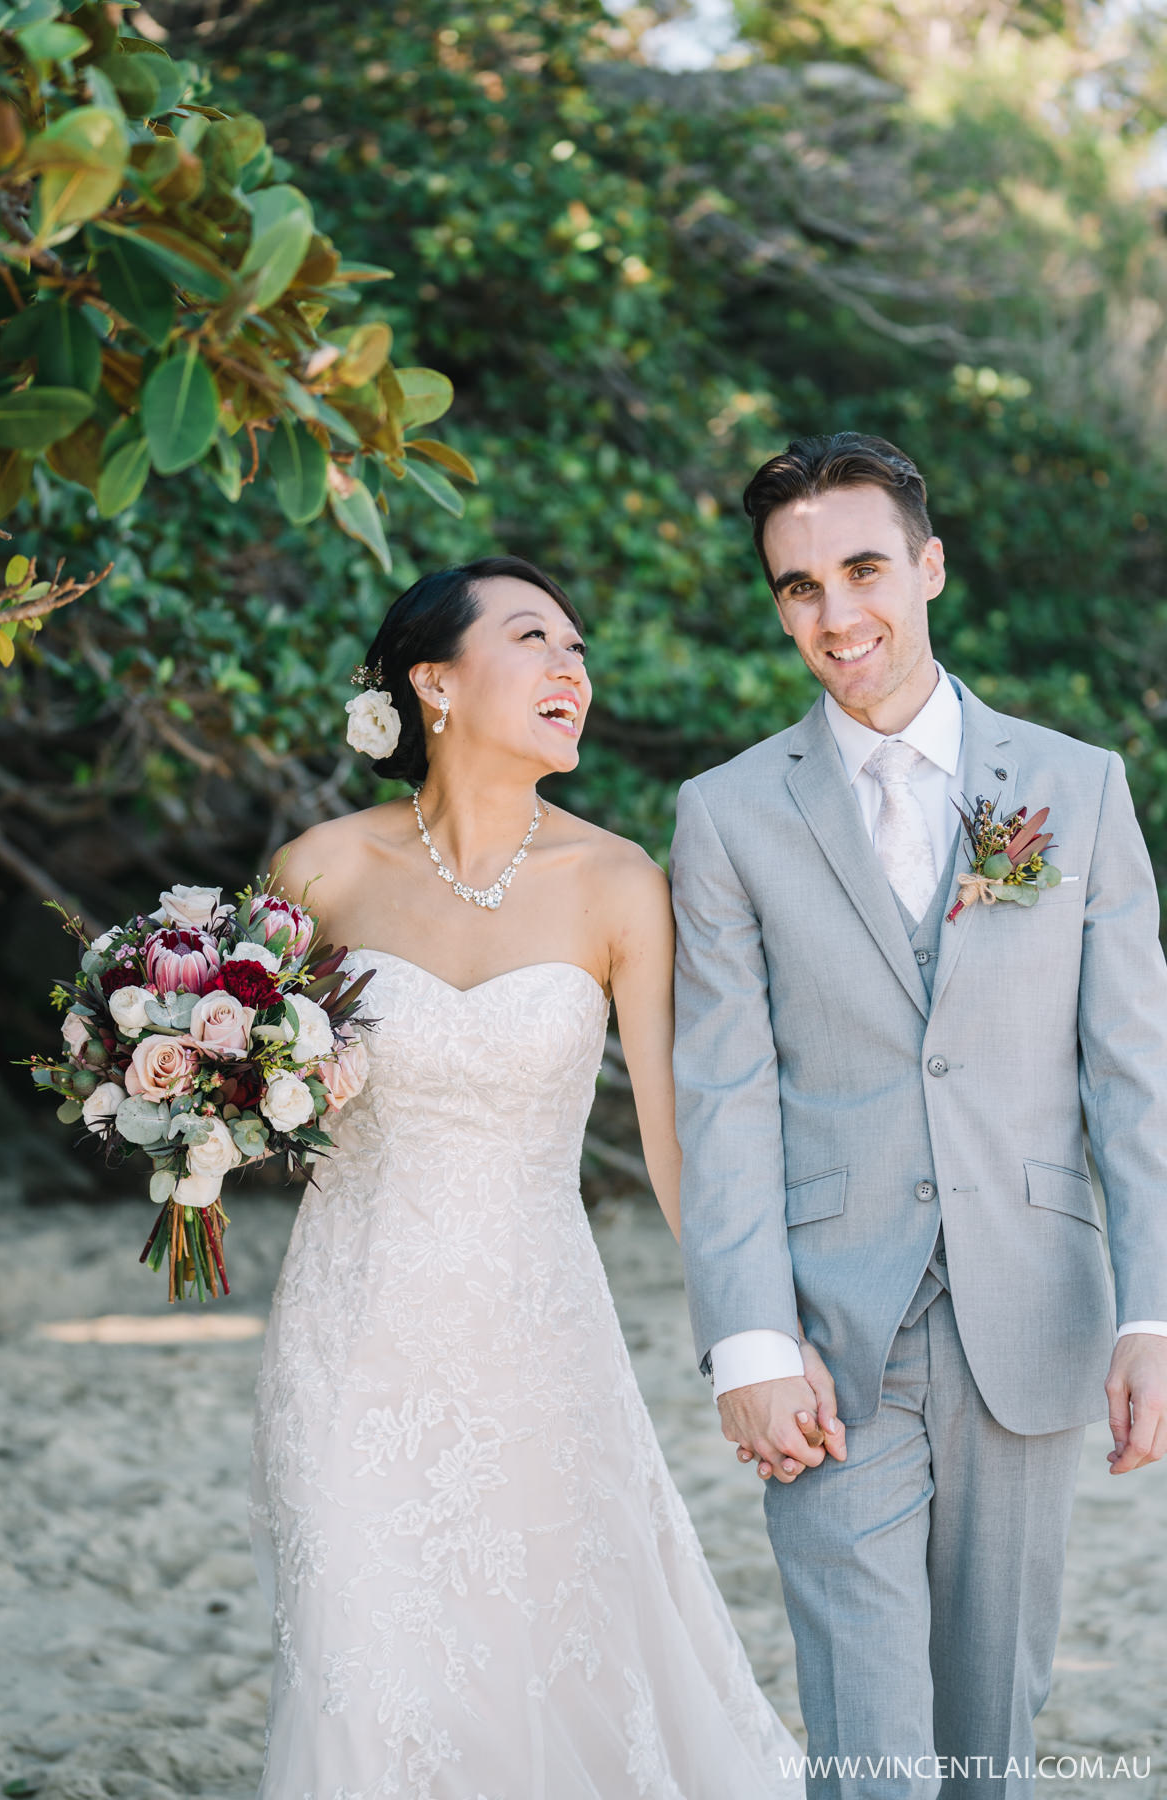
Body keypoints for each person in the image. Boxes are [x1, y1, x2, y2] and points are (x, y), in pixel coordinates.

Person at [249, 555, 803, 1798]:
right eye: (536, 640)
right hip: (350, 1336)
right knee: (358, 1652)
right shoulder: (316, 873)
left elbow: (676, 1147)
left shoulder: (618, 884)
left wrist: (754, 1340)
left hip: (540, 1341)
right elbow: (245, 1086)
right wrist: (186, 1120)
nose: (574, 670)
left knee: (555, 1660)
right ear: (434, 682)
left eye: (579, 648)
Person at [670, 433, 1167, 1800]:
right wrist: (749, 1341)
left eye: (865, 569)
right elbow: (725, 1094)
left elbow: (1136, 1073)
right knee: (872, 1743)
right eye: (798, 588)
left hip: (1034, 1305)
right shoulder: (725, 817)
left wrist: (1151, 1315)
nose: (837, 617)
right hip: (831, 1333)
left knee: (986, 1730)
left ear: (931, 567)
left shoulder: (1079, 787)